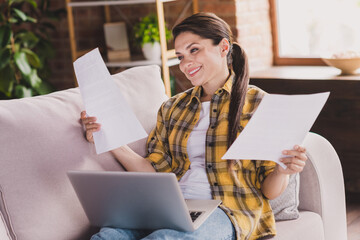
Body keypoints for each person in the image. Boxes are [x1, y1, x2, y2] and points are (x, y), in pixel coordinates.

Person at [81, 12, 307, 240]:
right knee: (106, 237)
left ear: (223, 47)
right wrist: (106, 135)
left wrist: (282, 171)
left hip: (226, 211)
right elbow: (153, 172)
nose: (185, 63)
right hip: (167, 207)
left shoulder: (258, 105)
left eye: (194, 50)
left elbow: (269, 190)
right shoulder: (172, 108)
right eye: (180, 56)